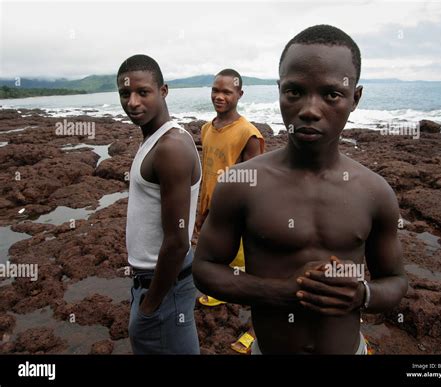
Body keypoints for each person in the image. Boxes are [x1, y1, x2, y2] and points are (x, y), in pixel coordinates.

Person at [193, 25, 408, 354]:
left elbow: (395, 280)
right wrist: (285, 292)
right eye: (294, 92)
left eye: (331, 94)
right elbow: (205, 270)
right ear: (279, 91)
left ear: (356, 98)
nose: (309, 109)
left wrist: (362, 294)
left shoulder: (375, 193)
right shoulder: (241, 184)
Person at [117, 54, 201, 354]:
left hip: (164, 285)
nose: (133, 102)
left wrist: (150, 306)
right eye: (125, 94)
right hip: (156, 281)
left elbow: (178, 241)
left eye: (143, 92)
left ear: (163, 91)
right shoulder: (153, 138)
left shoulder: (171, 148)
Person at [194, 69, 264, 354]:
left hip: (239, 214)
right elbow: (209, 169)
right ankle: (218, 294)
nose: (219, 97)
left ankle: (257, 331)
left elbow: (255, 182)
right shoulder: (206, 128)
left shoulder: (248, 134)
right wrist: (202, 206)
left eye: (227, 92)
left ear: (240, 95)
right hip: (211, 208)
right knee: (217, 256)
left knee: (257, 274)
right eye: (215, 91)